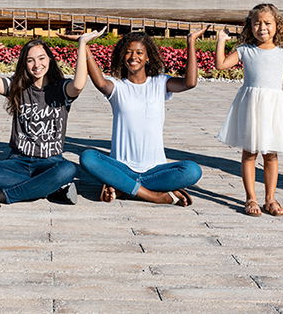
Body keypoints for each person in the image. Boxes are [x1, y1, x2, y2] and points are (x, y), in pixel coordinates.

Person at [0, 25, 106, 206]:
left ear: (50, 59)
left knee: (67, 169)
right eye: (30, 61)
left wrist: (82, 44)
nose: (37, 65)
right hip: (18, 161)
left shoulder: (61, 88)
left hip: (50, 162)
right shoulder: (17, 87)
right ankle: (52, 188)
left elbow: (79, 84)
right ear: (24, 64)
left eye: (41, 58)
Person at [79, 30, 206, 206]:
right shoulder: (117, 87)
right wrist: (84, 44)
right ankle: (152, 195)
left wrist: (191, 41)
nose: (133, 56)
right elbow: (99, 81)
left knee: (192, 170)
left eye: (139, 52)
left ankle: (124, 188)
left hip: (155, 169)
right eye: (129, 52)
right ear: (122, 56)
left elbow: (189, 83)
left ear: (147, 57)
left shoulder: (160, 83)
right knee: (88, 157)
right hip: (122, 168)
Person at [214, 4, 283, 217]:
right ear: (250, 26)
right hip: (251, 105)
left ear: (276, 26)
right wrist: (221, 42)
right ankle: (250, 198)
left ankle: (270, 198)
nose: (262, 27)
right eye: (257, 23)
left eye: (267, 23)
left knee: (271, 154)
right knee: (249, 153)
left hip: (273, 107)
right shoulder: (245, 50)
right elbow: (221, 65)